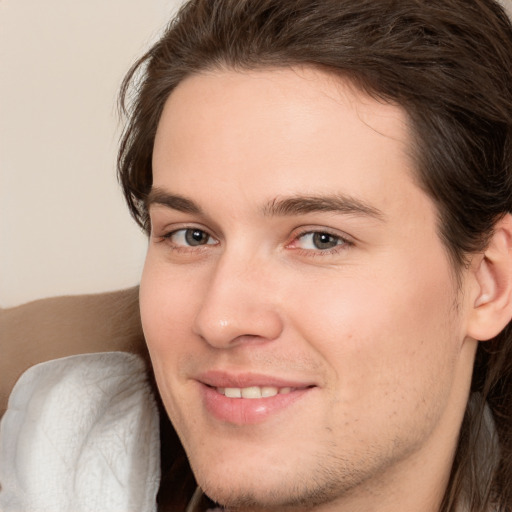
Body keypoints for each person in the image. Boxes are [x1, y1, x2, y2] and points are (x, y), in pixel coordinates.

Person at [1, 1, 511, 511]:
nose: (220, 319)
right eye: (192, 236)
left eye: (320, 239)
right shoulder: (55, 448)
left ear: (489, 281)